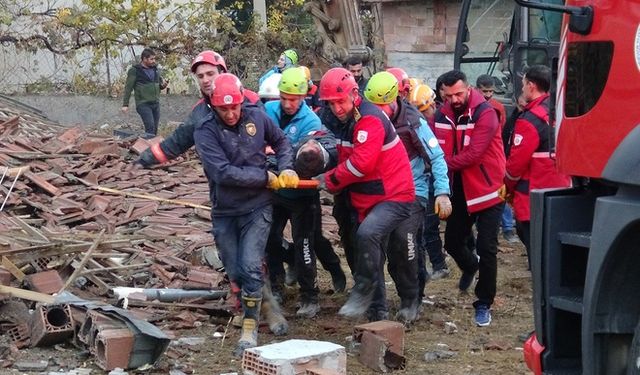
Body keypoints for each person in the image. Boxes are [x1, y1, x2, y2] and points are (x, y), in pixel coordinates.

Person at [193, 73, 297, 357]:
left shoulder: (258, 117)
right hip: (225, 210)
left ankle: (249, 328)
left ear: (242, 101)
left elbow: (283, 143)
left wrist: (287, 167)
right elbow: (222, 173)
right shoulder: (205, 130)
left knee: (251, 265)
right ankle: (264, 307)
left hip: (257, 207)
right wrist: (264, 177)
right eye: (223, 109)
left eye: (235, 107)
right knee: (236, 269)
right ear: (213, 107)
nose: (230, 113)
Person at [318, 67, 416, 320]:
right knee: (369, 248)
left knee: (379, 240)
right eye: (331, 103)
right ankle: (376, 311)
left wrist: (329, 180)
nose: (337, 108)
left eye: (340, 102)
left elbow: (361, 164)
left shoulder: (369, 119)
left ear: (354, 94)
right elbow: (342, 155)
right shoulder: (342, 120)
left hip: (394, 195)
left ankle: (398, 297)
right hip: (368, 197)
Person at [363, 71, 452, 323]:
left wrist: (443, 191)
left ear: (395, 99)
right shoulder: (368, 120)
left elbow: (436, 157)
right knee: (380, 245)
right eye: (374, 106)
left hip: (414, 191)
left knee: (405, 240)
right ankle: (379, 301)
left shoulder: (413, 121)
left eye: (382, 106)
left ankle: (411, 298)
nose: (379, 111)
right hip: (382, 191)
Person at [263, 67, 345, 318]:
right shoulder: (267, 112)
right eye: (284, 98)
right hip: (275, 191)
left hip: (302, 195)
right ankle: (276, 287)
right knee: (270, 239)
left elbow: (300, 157)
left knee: (308, 243)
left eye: (294, 99)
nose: (288, 104)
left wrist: (272, 157)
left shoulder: (312, 122)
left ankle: (312, 294)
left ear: (303, 98)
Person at [434, 70, 506, 327]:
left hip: (489, 189)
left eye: (459, 94)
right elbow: (433, 145)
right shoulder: (441, 114)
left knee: (487, 247)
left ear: (468, 89)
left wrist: (440, 165)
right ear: (442, 92)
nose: (454, 99)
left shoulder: (486, 113)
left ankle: (484, 303)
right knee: (452, 242)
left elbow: (474, 154)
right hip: (460, 189)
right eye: (449, 95)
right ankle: (470, 265)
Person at [136, 50, 261, 168]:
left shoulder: (251, 99)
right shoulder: (200, 112)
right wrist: (143, 161)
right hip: (225, 176)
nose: (205, 80)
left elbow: (274, 137)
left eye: (210, 74)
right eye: (200, 76)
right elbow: (176, 142)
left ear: (222, 73)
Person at [504, 65, 571, 267]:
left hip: (533, 198)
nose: (523, 88)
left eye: (524, 84)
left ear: (531, 86)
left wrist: (506, 186)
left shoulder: (529, 120)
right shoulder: (559, 109)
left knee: (537, 253)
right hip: (563, 192)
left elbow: (515, 165)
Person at [408, 83, 452, 282]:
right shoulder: (414, 123)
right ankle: (433, 266)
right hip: (425, 181)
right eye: (421, 111)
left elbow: (439, 156)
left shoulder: (441, 119)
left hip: (440, 178)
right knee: (426, 227)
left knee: (431, 226)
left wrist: (443, 189)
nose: (425, 114)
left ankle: (438, 265)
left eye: (425, 110)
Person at [475, 75, 516, 243]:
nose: (488, 94)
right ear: (477, 89)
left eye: (491, 91)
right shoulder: (472, 107)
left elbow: (502, 132)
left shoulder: (498, 107)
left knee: (501, 191)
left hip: (494, 154)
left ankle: (507, 228)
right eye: (485, 91)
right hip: (478, 157)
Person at [122, 48, 168, 137]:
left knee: (154, 129)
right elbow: (128, 88)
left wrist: (163, 86)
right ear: (144, 59)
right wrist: (125, 104)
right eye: (151, 59)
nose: (153, 61)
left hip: (155, 103)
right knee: (150, 127)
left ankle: (152, 147)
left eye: (154, 59)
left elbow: (158, 86)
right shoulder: (134, 70)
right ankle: (147, 148)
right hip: (143, 104)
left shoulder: (155, 69)